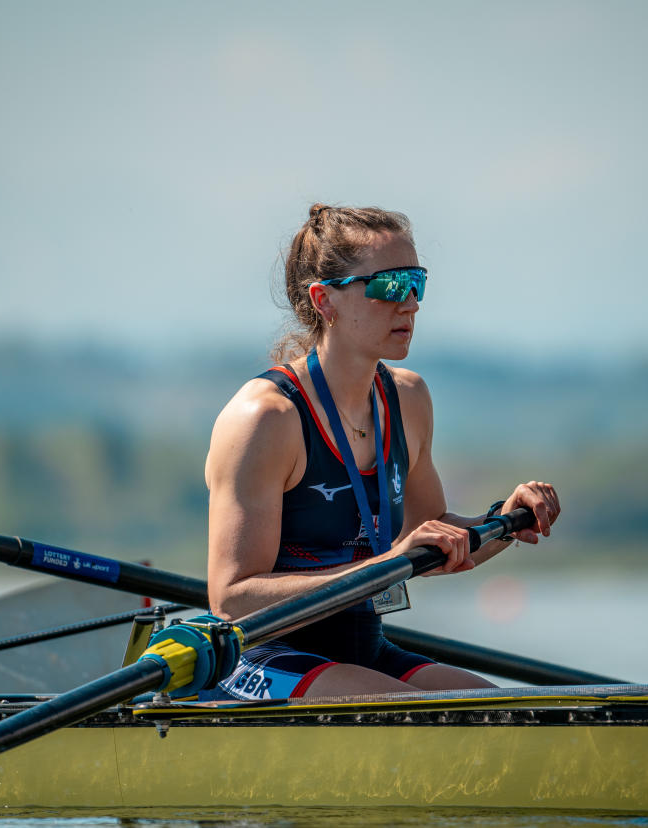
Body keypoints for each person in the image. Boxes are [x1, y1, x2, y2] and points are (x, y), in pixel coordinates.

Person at [202, 204, 560, 700]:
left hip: (364, 650)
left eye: (418, 283)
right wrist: (382, 564)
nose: (411, 304)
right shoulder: (266, 420)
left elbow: (431, 539)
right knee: (437, 719)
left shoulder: (408, 399)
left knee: (510, 711)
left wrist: (504, 519)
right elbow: (231, 598)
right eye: (390, 286)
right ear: (324, 300)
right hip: (261, 657)